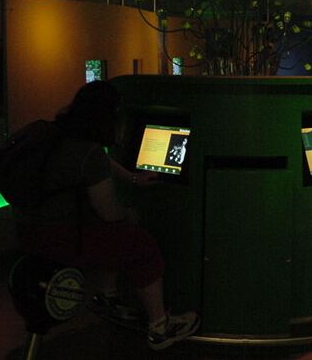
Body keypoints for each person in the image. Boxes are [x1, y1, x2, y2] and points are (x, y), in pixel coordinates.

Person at [12, 80, 200, 350]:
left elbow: (100, 161)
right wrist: (130, 212)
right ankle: (160, 327)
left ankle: (107, 297)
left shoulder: (56, 134)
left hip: (27, 230)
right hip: (60, 237)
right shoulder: (89, 153)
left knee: (110, 234)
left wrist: (130, 177)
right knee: (141, 245)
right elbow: (109, 213)